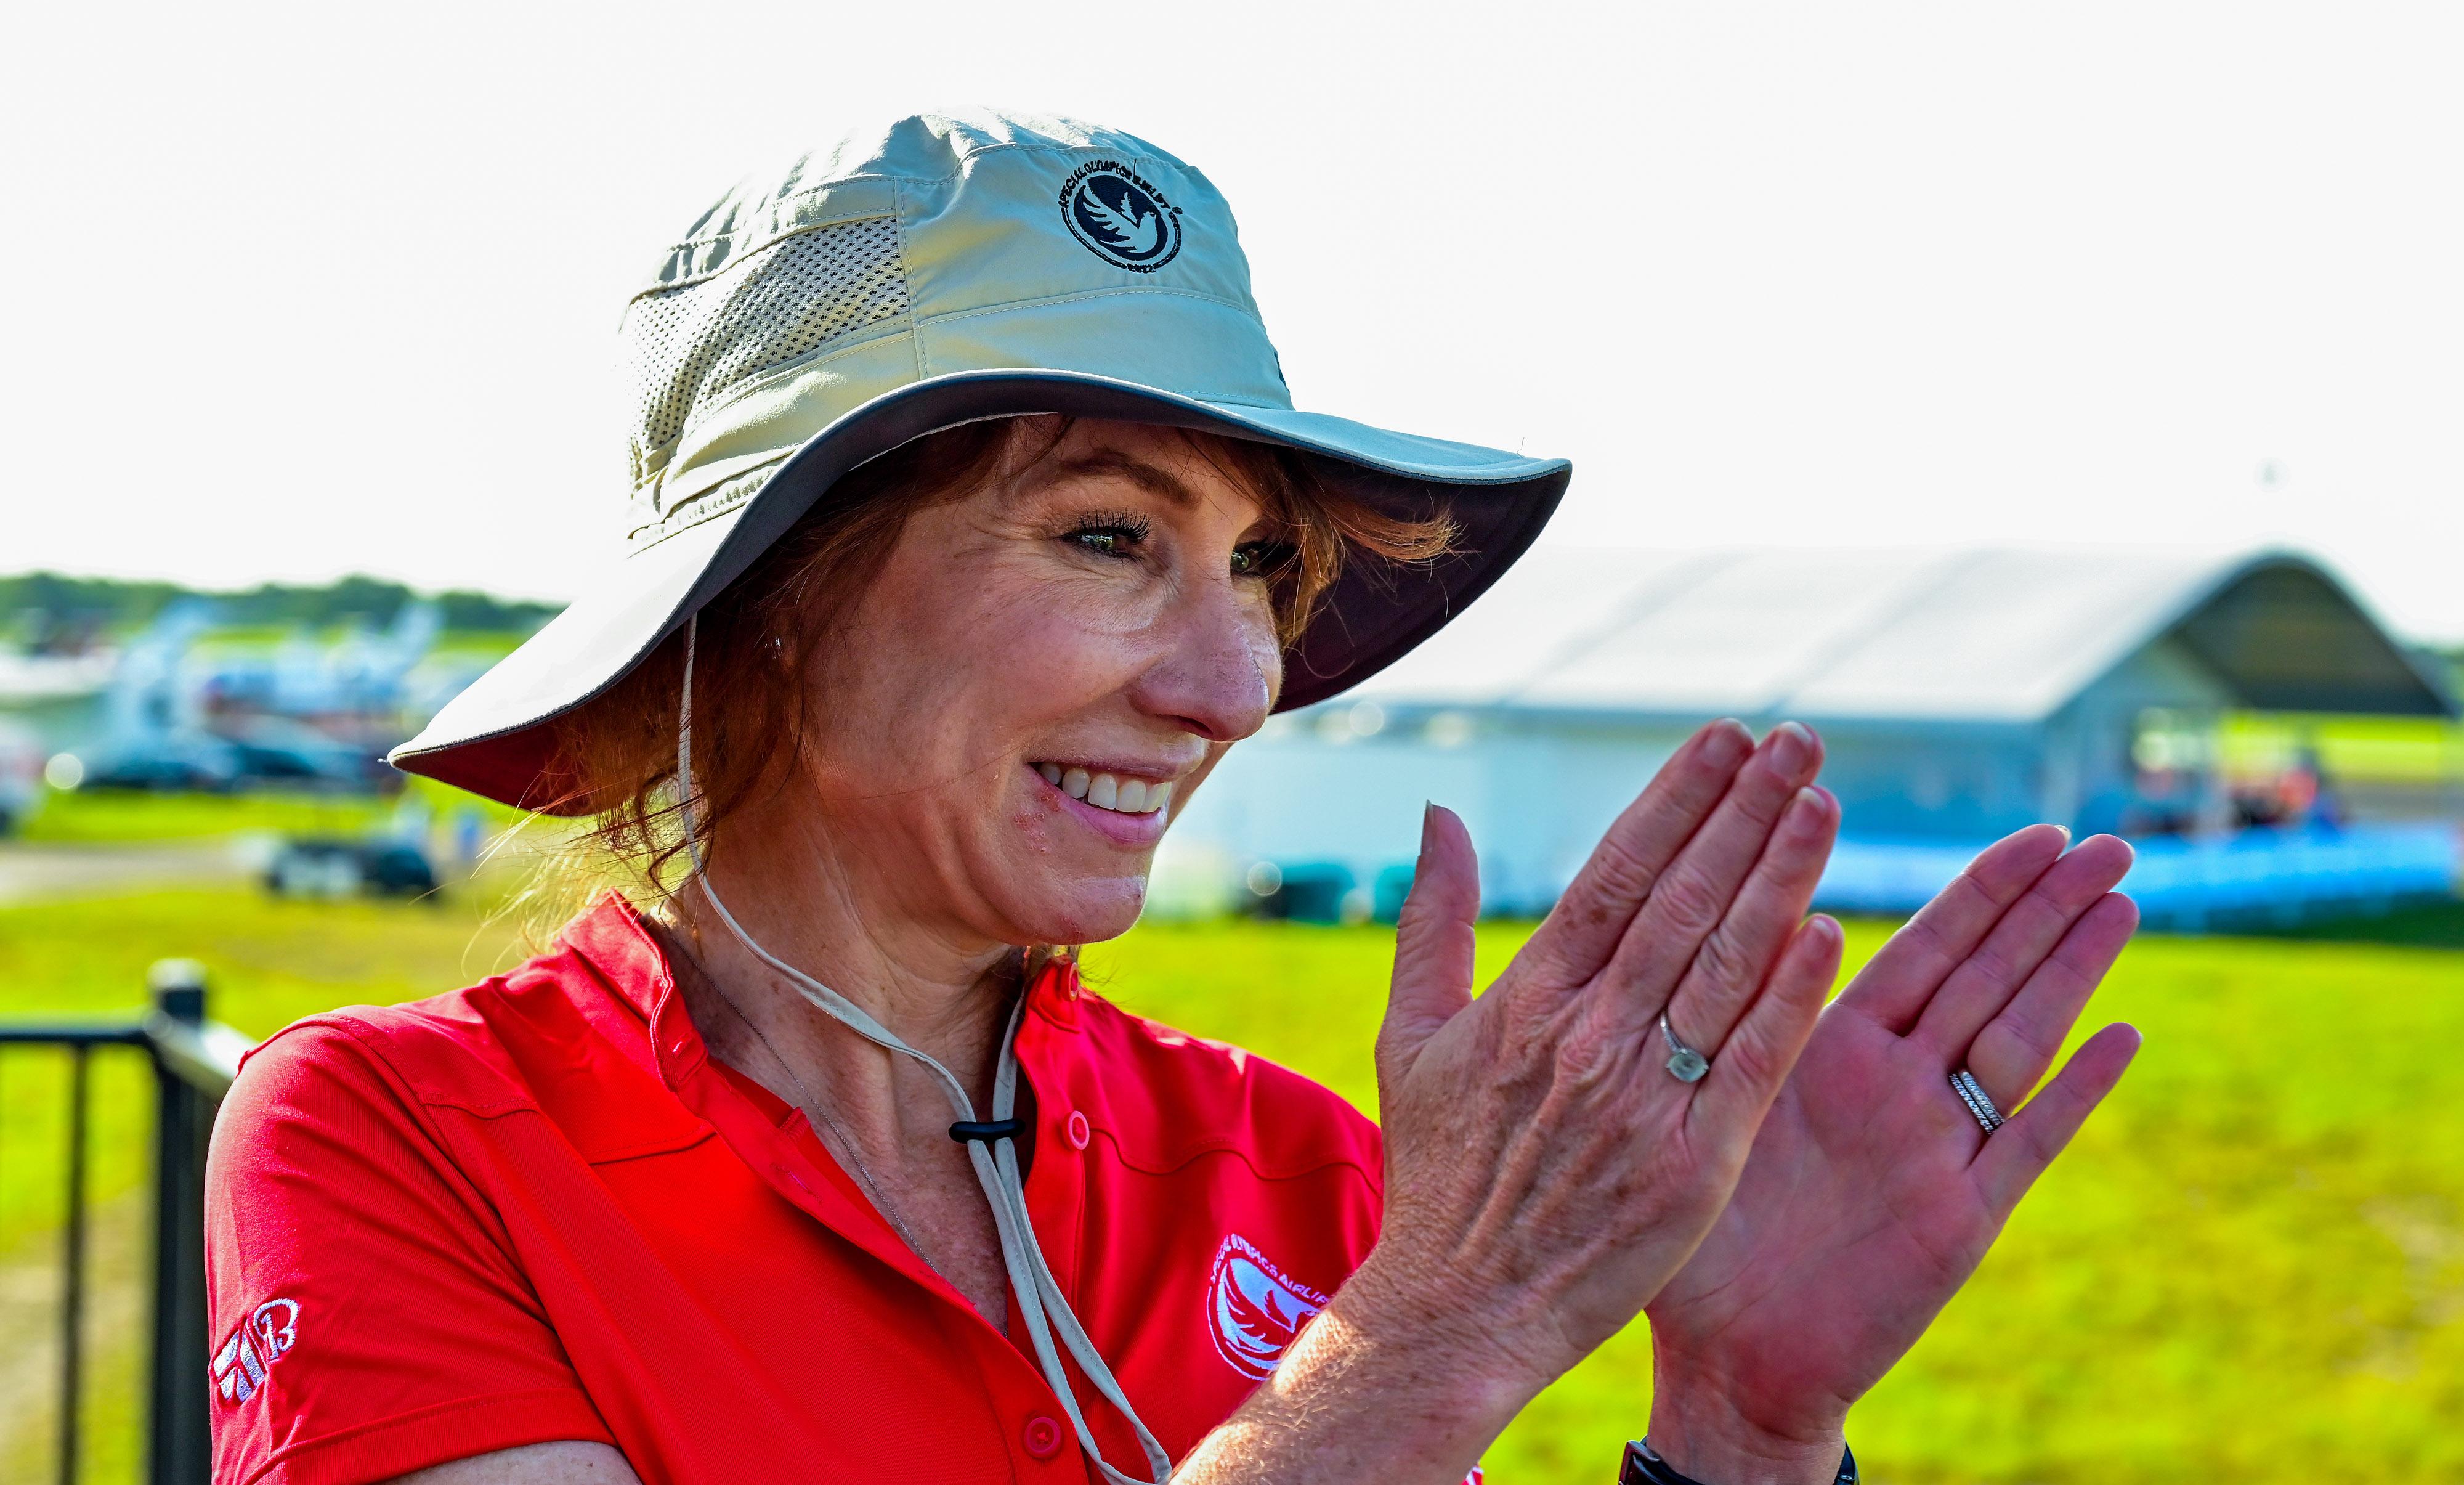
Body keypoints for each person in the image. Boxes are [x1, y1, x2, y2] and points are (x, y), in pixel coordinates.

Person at [203, 112, 2141, 1485]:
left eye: (1255, 569)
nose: (1233, 685)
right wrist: (1432, 1340)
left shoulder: (1294, 1172)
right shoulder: (408, 1146)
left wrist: (1741, 1422)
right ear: (772, 599)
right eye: (1109, 534)